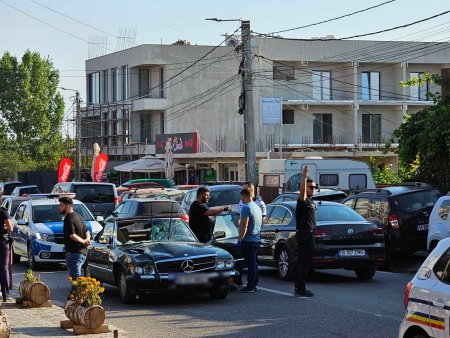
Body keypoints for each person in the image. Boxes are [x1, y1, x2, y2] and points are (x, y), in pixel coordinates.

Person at [294, 165, 317, 297]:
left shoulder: (311, 201)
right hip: (304, 233)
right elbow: (302, 192)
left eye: (314, 187)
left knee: (305, 261)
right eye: (311, 187)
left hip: (309, 234)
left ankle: (299, 285)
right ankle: (300, 287)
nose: (313, 189)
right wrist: (304, 176)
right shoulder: (302, 200)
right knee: (304, 261)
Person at [237, 187, 262, 293]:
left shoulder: (246, 208)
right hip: (256, 239)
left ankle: (250, 285)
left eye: (241, 197)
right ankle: (255, 284)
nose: (241, 199)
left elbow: (244, 226)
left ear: (244, 196)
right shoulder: (257, 207)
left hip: (248, 240)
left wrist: (239, 240)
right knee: (254, 263)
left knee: (250, 264)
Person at [59, 196, 91, 280]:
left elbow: (72, 235)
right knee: (77, 277)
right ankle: (77, 292)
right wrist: (87, 240)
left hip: (73, 252)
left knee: (75, 279)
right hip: (82, 252)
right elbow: (87, 232)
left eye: (61, 205)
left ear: (67, 206)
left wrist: (84, 241)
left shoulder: (68, 218)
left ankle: (77, 293)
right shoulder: (79, 216)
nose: (59, 207)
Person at [0, 187, 13, 302]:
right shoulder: (3, 211)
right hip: (2, 241)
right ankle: (5, 295)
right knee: (4, 267)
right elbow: (10, 228)